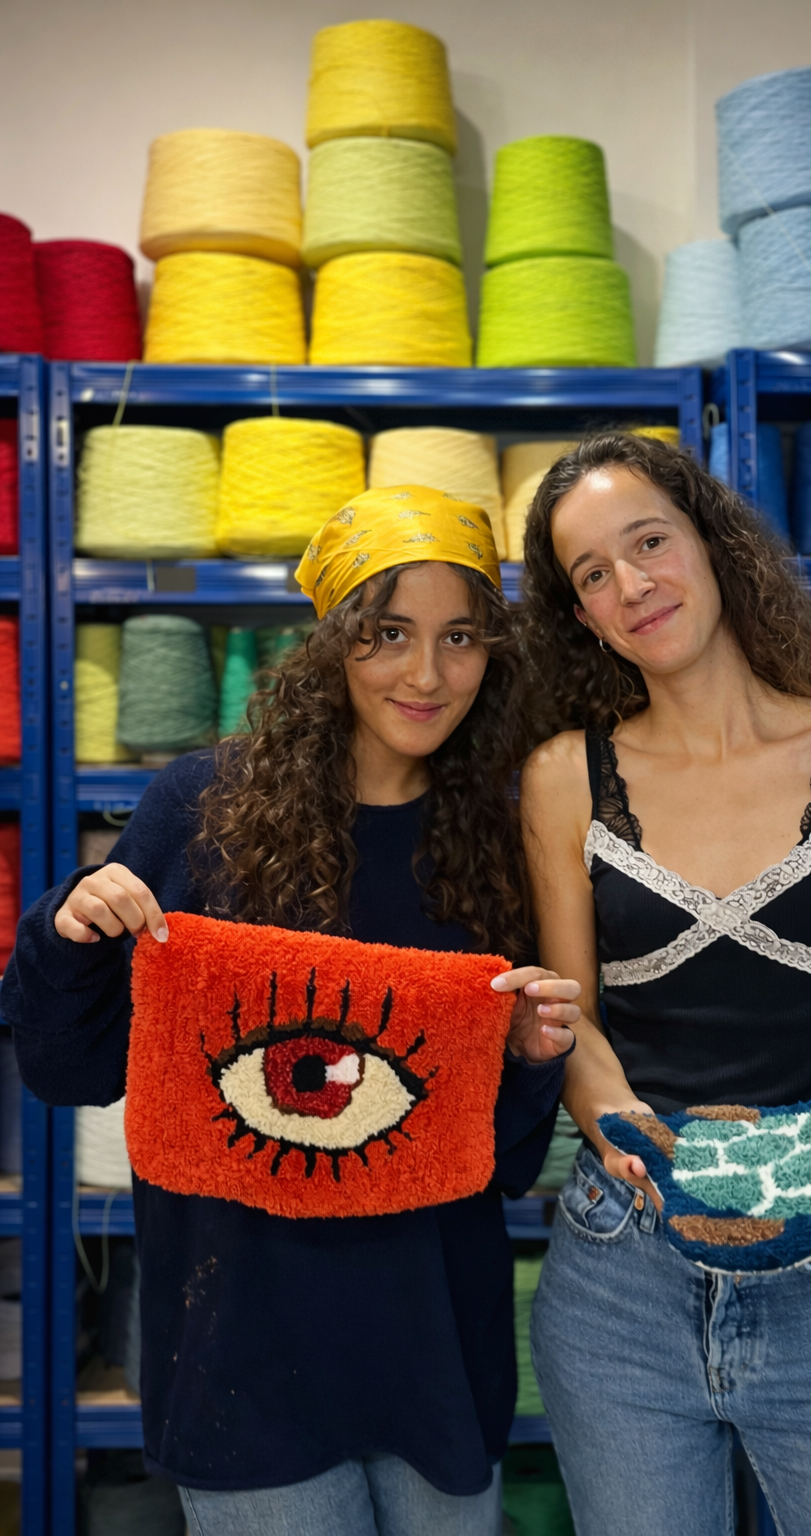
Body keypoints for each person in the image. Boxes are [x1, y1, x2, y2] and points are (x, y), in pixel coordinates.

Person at [2, 486, 580, 1536]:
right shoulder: (201, 811)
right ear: (332, 643)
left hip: (433, 1347)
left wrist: (531, 1056)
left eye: (460, 638)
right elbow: (70, 1072)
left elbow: (491, 1160)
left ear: (494, 653)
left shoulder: (504, 844)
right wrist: (67, 926)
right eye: (388, 633)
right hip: (241, 1350)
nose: (426, 674)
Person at [517, 433, 811, 1536]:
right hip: (624, 1266)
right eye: (592, 573)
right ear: (580, 615)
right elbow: (574, 1018)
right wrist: (616, 1122)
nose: (631, 585)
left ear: (712, 546)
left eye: (648, 543)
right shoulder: (560, 776)